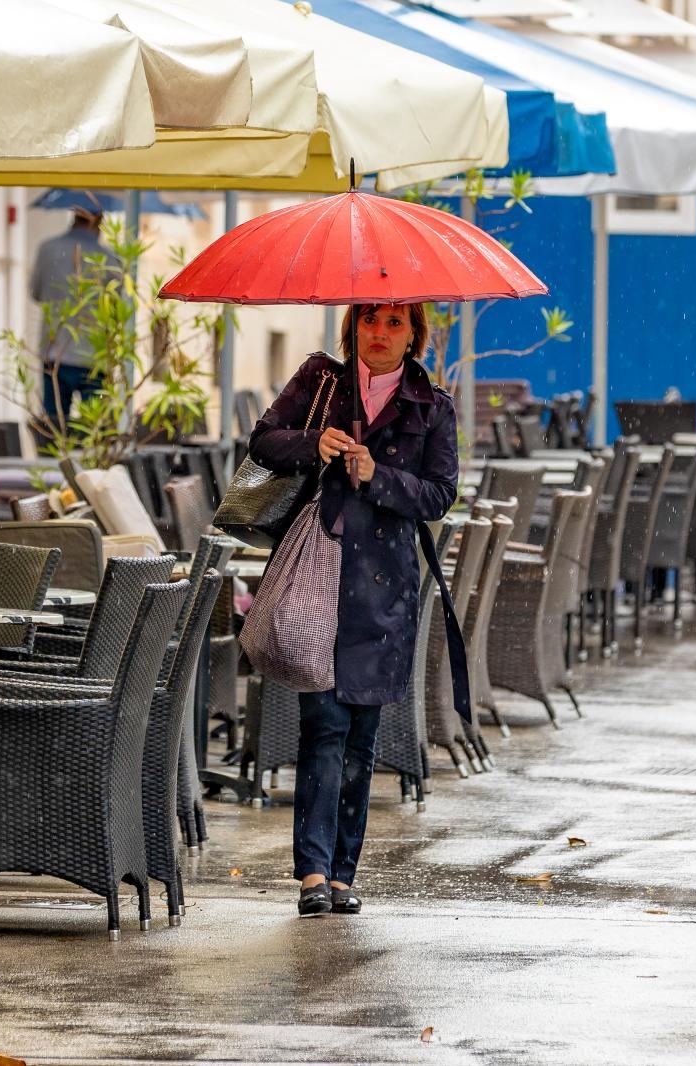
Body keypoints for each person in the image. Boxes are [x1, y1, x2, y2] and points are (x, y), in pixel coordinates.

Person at [247, 304, 461, 917]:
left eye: (396, 323)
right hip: (319, 577)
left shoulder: (432, 406)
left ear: (414, 334)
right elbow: (262, 442)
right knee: (325, 727)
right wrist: (315, 444)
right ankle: (313, 874)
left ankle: (344, 874)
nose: (381, 333)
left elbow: (441, 494)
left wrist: (378, 475)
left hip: (383, 588)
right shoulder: (321, 380)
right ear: (353, 327)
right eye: (371, 320)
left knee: (361, 737)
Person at [29, 206, 117, 426]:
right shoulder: (109, 259)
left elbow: (36, 292)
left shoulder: (47, 249)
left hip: (55, 349)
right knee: (93, 429)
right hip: (93, 356)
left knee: (55, 424)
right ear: (98, 223)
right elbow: (118, 307)